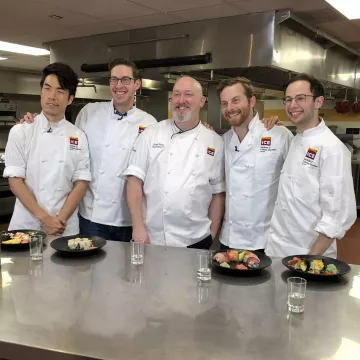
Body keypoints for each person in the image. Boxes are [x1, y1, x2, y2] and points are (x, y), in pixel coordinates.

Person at [20, 58, 157, 241]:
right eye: (114, 80)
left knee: (126, 269)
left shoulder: (149, 123)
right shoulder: (89, 112)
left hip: (128, 219)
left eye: (125, 80)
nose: (119, 85)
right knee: (90, 268)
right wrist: (35, 122)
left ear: (136, 85)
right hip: (91, 216)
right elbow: (67, 142)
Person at [124, 76, 225, 249]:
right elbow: (134, 181)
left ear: (202, 101)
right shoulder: (151, 134)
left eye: (188, 95)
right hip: (152, 237)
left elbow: (218, 192)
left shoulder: (215, 141)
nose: (181, 100)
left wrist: (212, 233)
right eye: (176, 95)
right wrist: (138, 227)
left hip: (196, 239)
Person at [266, 73, 357, 258]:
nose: (292, 105)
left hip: (307, 255)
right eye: (288, 99)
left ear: (318, 102)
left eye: (301, 98)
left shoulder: (332, 149)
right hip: (277, 249)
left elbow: (338, 216)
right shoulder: (296, 140)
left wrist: (308, 260)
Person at [4, 62, 91, 236]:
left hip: (64, 226)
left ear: (70, 99)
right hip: (27, 224)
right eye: (47, 88)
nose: (52, 96)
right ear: (41, 91)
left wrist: (58, 221)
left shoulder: (78, 136)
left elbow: (81, 182)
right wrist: (45, 218)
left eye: (60, 91)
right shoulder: (21, 131)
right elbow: (15, 181)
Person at [218, 77, 293, 252]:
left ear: (252, 101)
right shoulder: (223, 141)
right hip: (229, 239)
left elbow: (294, 186)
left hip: (265, 241)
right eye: (224, 103)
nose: (230, 108)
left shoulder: (279, 135)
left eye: (236, 100)